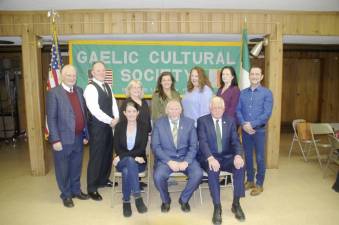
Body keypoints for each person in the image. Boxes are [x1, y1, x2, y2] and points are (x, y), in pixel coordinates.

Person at [46, 64, 89, 207]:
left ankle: (76, 190)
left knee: (76, 166)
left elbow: (83, 113)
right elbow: (51, 118)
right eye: (68, 75)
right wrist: (55, 139)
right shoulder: (54, 93)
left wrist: (85, 134)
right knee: (63, 169)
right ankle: (66, 194)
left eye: (74, 75)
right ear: (62, 76)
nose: (72, 78)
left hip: (78, 137)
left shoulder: (79, 90)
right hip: (62, 140)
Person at [197, 96, 245, 224]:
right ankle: (217, 207)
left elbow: (235, 141)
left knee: (240, 166)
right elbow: (203, 142)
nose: (217, 110)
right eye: (214, 107)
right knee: (213, 170)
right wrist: (210, 158)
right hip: (209, 157)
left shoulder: (230, 121)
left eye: (220, 107)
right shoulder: (202, 121)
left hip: (226, 157)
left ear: (224, 109)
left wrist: (238, 155)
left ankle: (236, 203)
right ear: (210, 108)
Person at [151, 100, 203, 213]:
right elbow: (155, 146)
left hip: (185, 158)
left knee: (198, 174)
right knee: (158, 176)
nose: (174, 111)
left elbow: (194, 146)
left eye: (176, 109)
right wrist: (169, 161)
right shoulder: (159, 124)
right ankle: (166, 200)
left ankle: (184, 199)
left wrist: (186, 161)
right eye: (171, 109)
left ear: (181, 110)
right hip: (166, 159)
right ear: (166, 110)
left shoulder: (189, 123)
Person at [84, 61, 119, 201]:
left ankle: (104, 180)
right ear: (92, 73)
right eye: (98, 70)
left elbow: (114, 103)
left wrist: (116, 117)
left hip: (109, 127)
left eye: (103, 70)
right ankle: (92, 187)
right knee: (96, 157)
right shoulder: (90, 88)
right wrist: (110, 120)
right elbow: (94, 110)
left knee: (107, 154)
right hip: (98, 127)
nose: (101, 72)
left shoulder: (107, 86)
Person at [236, 66, 273, 196]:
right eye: (252, 74)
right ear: (249, 76)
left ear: (261, 76)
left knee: (260, 157)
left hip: (259, 131)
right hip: (245, 131)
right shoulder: (242, 93)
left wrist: (252, 124)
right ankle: (250, 180)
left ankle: (259, 184)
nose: (254, 76)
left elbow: (266, 113)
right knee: (248, 156)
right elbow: (238, 110)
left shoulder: (267, 93)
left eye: (257, 74)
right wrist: (243, 124)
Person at [113, 100, 148, 217]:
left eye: (134, 111)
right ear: (124, 113)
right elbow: (117, 148)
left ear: (138, 113)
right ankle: (137, 197)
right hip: (123, 161)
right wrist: (127, 157)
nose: (131, 114)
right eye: (129, 111)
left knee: (127, 170)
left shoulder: (143, 127)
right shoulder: (119, 127)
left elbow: (142, 148)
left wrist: (122, 156)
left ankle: (126, 200)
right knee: (129, 161)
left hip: (140, 161)